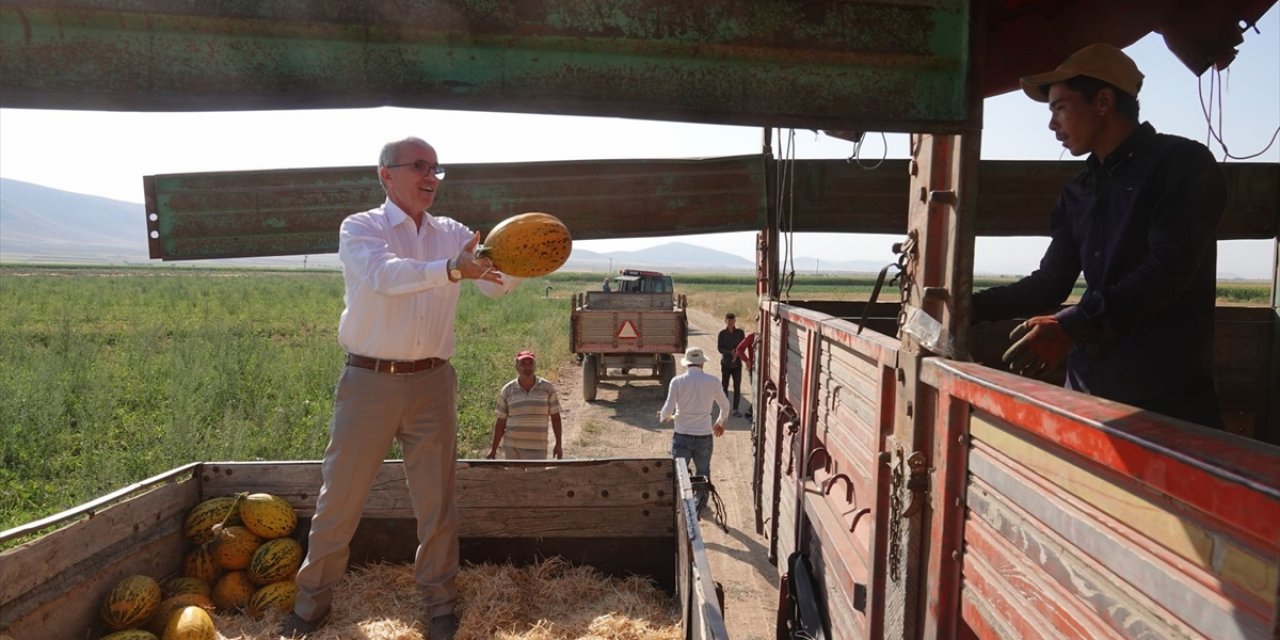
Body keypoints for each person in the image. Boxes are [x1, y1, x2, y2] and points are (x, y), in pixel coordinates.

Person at [283, 136, 521, 640]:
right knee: (339, 500)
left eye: (437, 168)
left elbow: (494, 284)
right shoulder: (361, 227)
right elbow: (384, 277)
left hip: (433, 382)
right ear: (386, 174)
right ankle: (310, 607)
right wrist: (453, 267)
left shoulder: (453, 232)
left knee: (437, 504)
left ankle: (440, 606)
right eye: (419, 166)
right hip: (368, 383)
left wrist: (525, 255)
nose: (431, 176)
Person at [971, 43, 1226, 428]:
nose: (1052, 124)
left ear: (1103, 102)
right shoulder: (1079, 190)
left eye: (1059, 107)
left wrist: (1073, 326)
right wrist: (967, 307)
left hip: (1165, 394)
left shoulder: (1182, 164)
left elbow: (1169, 267)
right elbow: (1049, 284)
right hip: (1088, 389)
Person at [658, 346, 729, 514]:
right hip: (704, 435)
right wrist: (719, 423)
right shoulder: (713, 382)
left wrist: (663, 417)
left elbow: (667, 410)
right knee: (703, 471)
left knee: (678, 472)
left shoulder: (677, 382)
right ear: (702, 364)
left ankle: (679, 503)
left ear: (686, 364)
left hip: (682, 435)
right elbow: (725, 406)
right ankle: (700, 505)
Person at [485, 350, 564, 460]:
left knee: (536, 477)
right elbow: (500, 421)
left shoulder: (547, 388)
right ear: (516, 367)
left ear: (535, 366)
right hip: (512, 448)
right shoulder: (507, 390)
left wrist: (558, 444)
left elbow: (556, 417)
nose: (527, 368)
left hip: (537, 448)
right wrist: (493, 450)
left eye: (530, 364)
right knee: (515, 477)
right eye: (523, 364)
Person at [716, 313, 746, 417]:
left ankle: (735, 409)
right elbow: (720, 348)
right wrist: (730, 352)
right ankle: (725, 409)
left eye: (732, 321)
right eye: (729, 321)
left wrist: (737, 352)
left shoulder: (740, 333)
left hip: (737, 364)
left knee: (737, 387)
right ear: (725, 321)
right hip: (726, 364)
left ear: (735, 321)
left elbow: (743, 345)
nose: (731, 323)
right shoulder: (722, 334)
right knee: (724, 386)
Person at [733, 329, 758, 420]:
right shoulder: (752, 337)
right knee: (756, 391)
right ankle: (751, 413)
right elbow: (739, 349)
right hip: (755, 369)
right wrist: (747, 360)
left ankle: (752, 411)